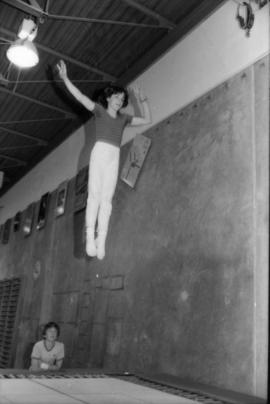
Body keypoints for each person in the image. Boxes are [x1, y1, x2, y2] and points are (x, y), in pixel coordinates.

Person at [57, 60, 151, 260]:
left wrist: (142, 100)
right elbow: (80, 97)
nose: (120, 100)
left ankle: (102, 241)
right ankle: (90, 237)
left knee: (107, 200)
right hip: (100, 152)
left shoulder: (123, 119)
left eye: (122, 98)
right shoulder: (99, 111)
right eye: (116, 96)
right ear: (108, 98)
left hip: (114, 156)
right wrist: (66, 79)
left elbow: (147, 120)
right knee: (95, 195)